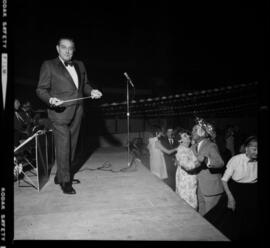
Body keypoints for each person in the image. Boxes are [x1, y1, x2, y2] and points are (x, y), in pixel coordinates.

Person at [36, 36, 102, 194]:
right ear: (57, 48)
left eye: (70, 48)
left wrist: (91, 90)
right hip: (59, 113)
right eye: (64, 47)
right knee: (64, 145)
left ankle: (61, 175)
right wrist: (50, 99)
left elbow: (84, 85)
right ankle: (65, 181)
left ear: (73, 50)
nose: (67, 50)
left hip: (78, 111)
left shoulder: (80, 65)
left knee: (71, 146)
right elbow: (41, 89)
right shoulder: (48, 65)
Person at [221, 136, 258, 240]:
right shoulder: (235, 160)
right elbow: (224, 180)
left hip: (253, 191)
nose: (257, 152)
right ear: (246, 148)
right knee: (236, 224)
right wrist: (230, 198)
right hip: (236, 191)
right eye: (254, 149)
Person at [191, 118, 225, 216]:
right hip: (198, 186)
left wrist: (206, 160)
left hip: (211, 188)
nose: (192, 132)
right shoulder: (193, 147)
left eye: (194, 130)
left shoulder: (211, 145)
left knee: (212, 216)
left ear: (202, 133)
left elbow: (220, 163)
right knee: (202, 214)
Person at [175, 130, 200, 209]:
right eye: (185, 136)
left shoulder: (188, 149)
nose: (188, 137)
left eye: (188, 135)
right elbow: (188, 166)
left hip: (190, 181)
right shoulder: (181, 150)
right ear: (180, 140)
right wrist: (201, 161)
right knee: (188, 206)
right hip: (185, 182)